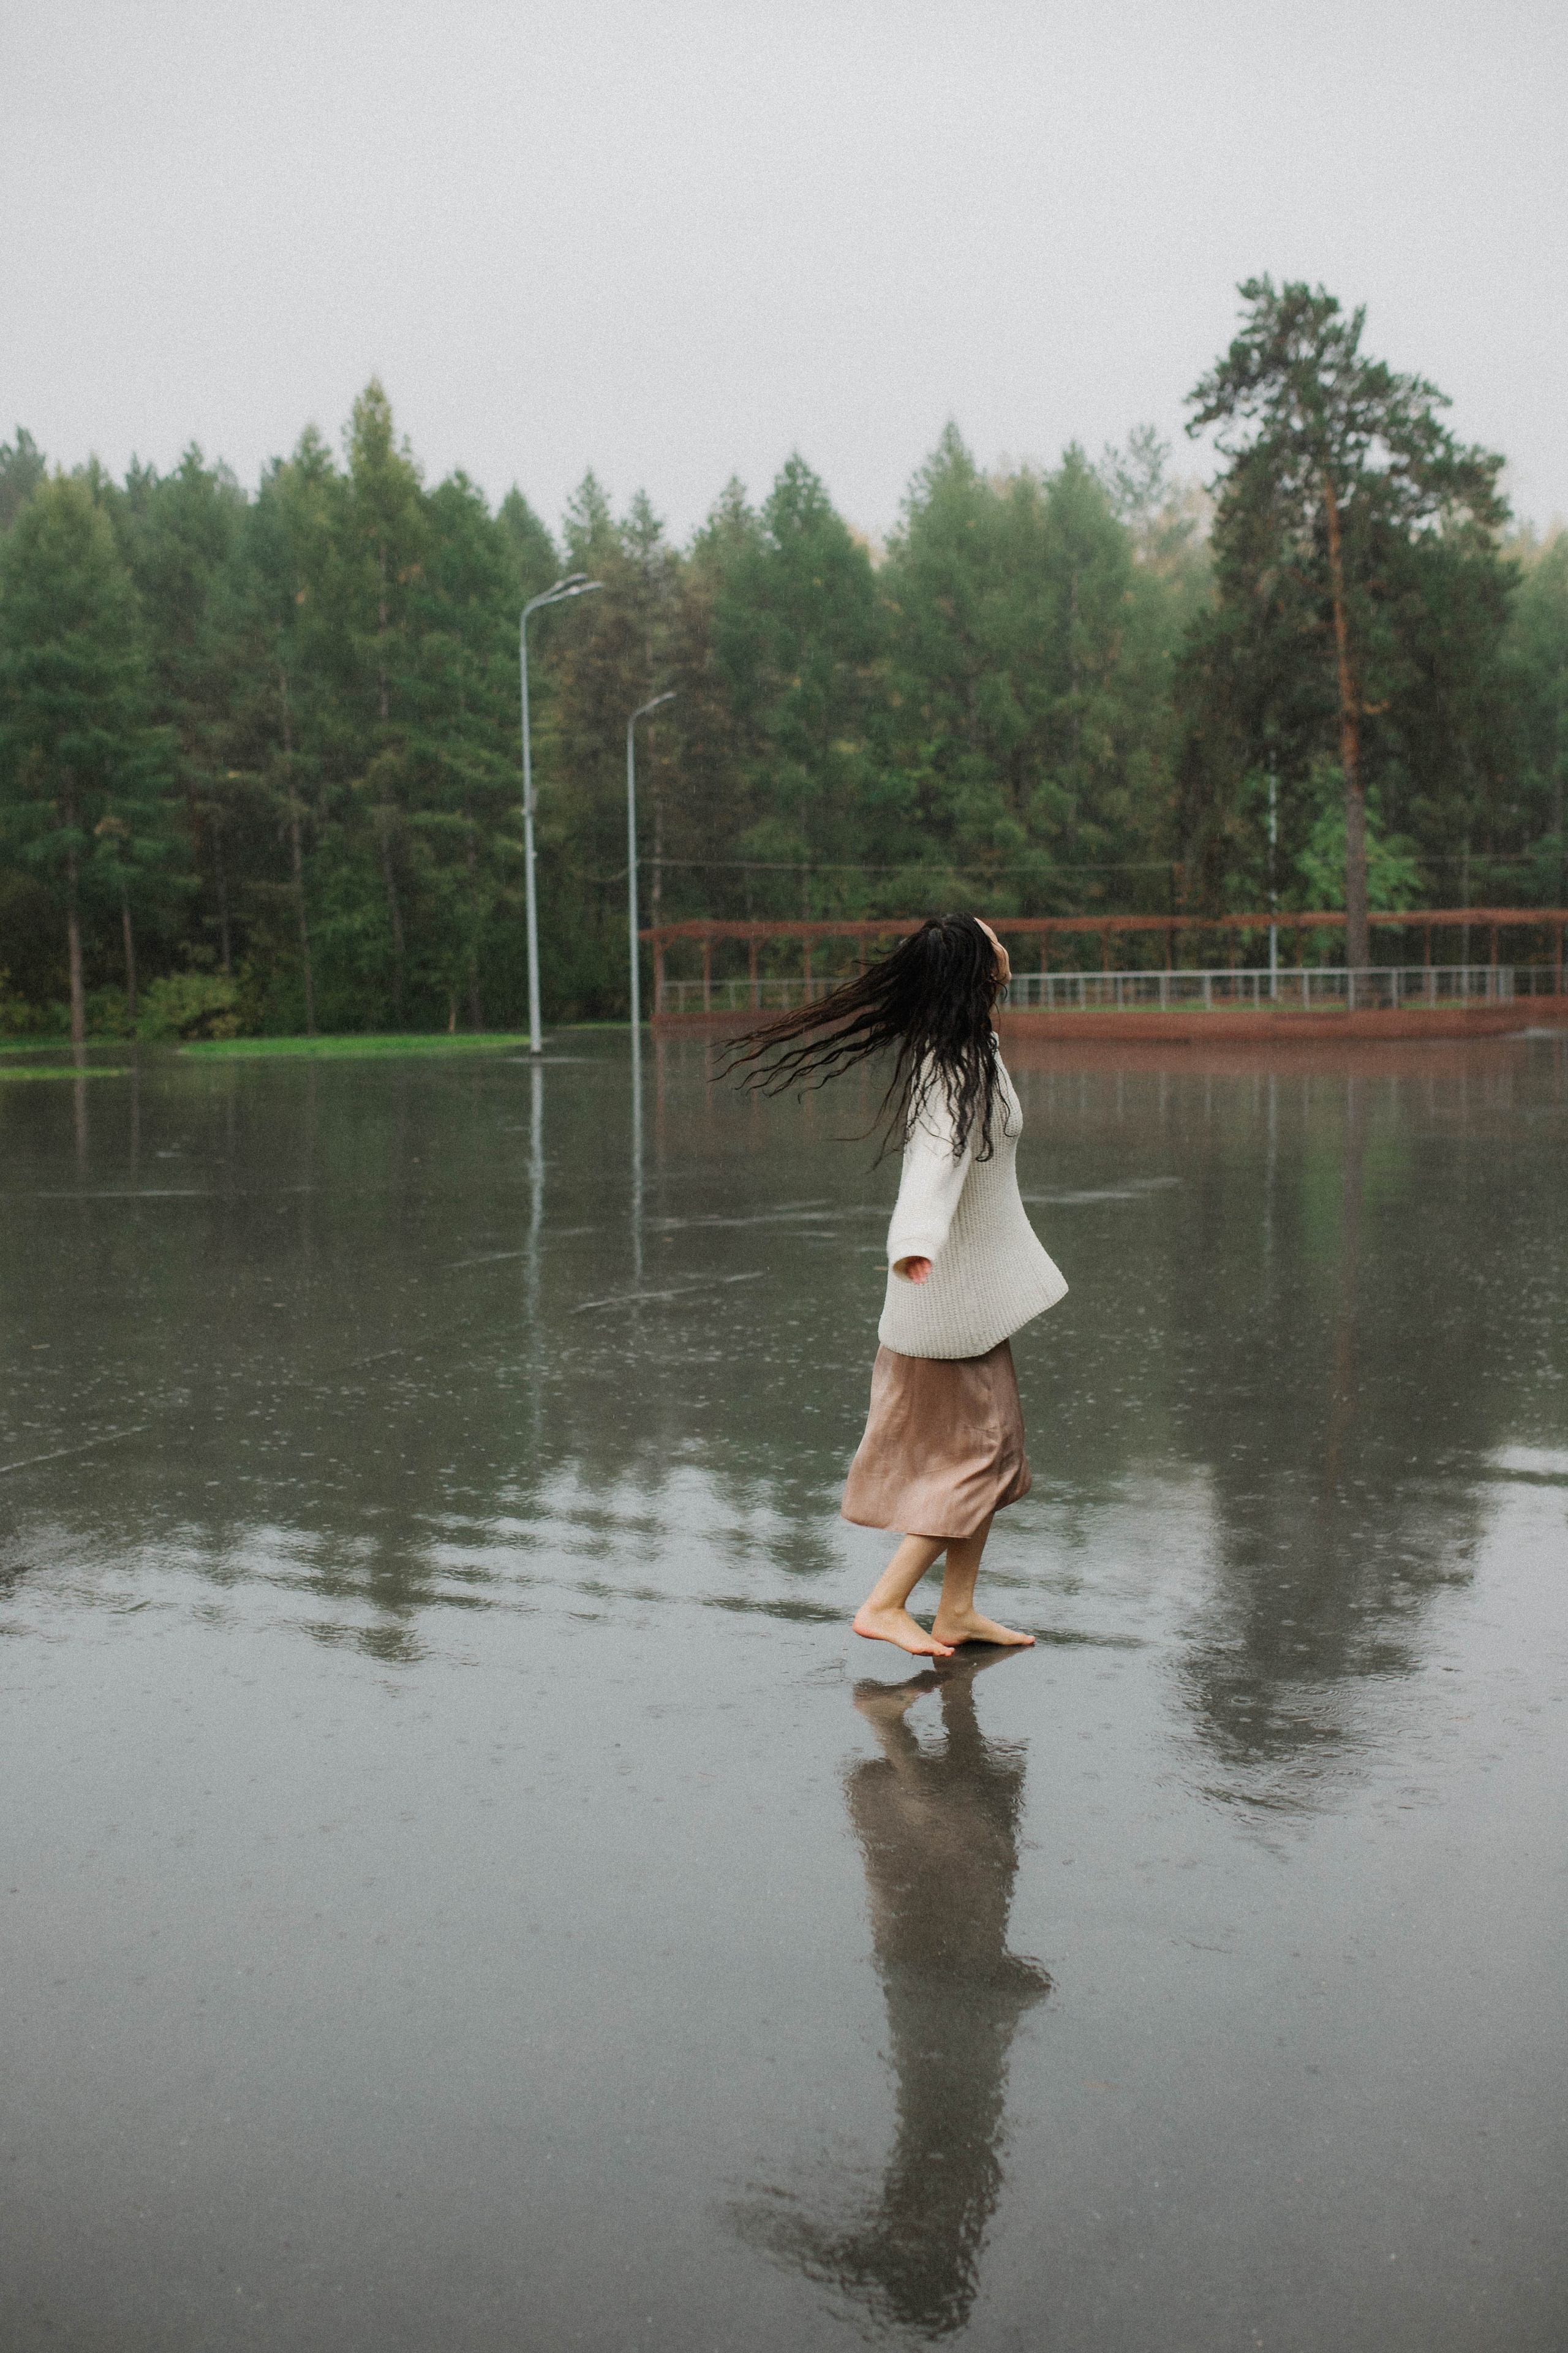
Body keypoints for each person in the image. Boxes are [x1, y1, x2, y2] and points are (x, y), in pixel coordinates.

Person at [722, 914, 1066, 1656]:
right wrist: (913, 1243)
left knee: (996, 1453)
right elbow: (932, 1164)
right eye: (991, 938)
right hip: (941, 1297)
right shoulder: (951, 1067)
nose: (1003, 943)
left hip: (973, 1299)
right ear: (978, 966)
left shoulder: (974, 1045)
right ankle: (883, 1603)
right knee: (982, 1458)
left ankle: (957, 1610)